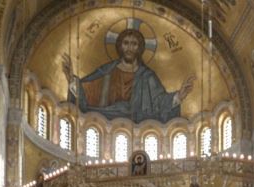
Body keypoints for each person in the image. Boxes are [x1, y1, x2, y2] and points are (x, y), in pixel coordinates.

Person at [62, 28, 195, 123]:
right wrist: (72, 80)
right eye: (126, 43)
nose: (129, 48)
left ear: (139, 48)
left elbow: (160, 102)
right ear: (120, 46)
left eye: (134, 44)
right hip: (104, 122)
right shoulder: (107, 71)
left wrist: (179, 96)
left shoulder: (147, 76)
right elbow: (86, 91)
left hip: (140, 125)